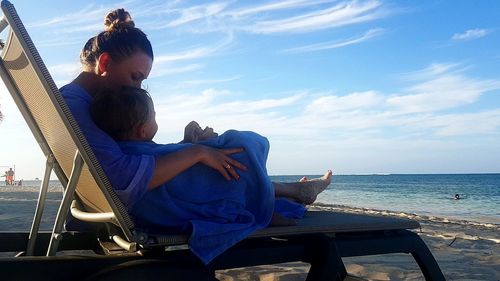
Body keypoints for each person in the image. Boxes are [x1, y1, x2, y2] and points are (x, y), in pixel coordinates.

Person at [61, 9, 331, 264]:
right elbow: (121, 177)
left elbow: (130, 154)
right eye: (136, 77)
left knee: (218, 156)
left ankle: (290, 192)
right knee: (237, 147)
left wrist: (185, 146)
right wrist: (196, 153)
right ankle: (282, 197)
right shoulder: (76, 107)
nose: (137, 87)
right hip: (138, 211)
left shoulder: (84, 102)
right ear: (105, 62)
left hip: (127, 206)